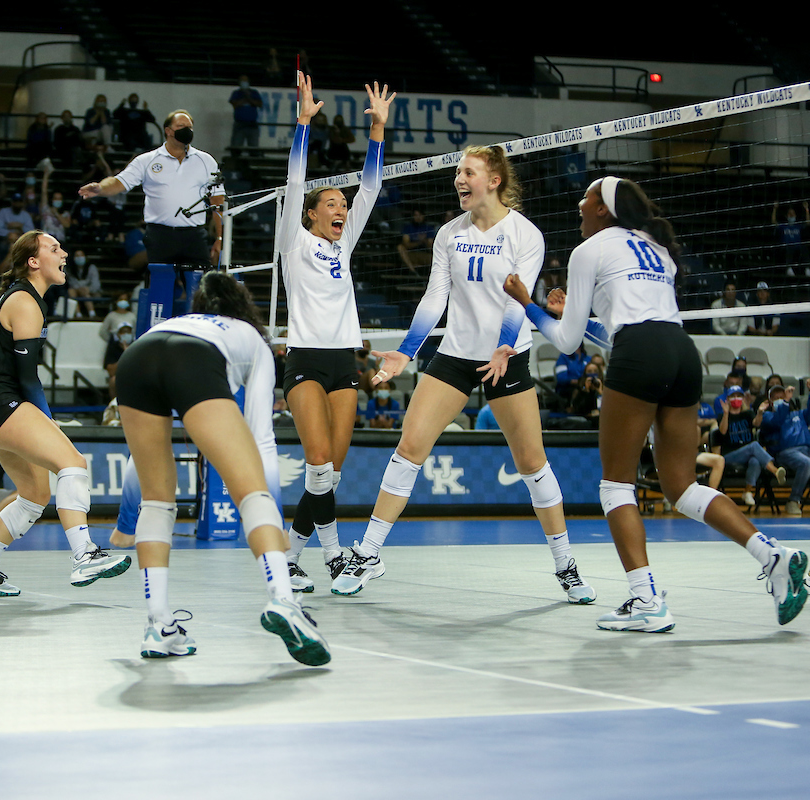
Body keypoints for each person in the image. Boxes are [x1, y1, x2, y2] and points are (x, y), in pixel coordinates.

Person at [503, 175, 806, 632]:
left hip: (640, 353)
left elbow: (567, 345)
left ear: (604, 209)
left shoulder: (589, 250)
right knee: (682, 488)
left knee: (615, 486)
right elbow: (617, 330)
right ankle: (773, 554)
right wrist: (571, 314)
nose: (579, 206)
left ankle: (645, 599)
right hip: (682, 353)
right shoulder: (655, 246)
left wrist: (529, 304)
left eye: (586, 199)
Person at [345, 142, 596, 604]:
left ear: (494, 180)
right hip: (457, 355)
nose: (459, 179)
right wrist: (405, 351)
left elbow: (516, 299)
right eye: (458, 172)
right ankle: (369, 553)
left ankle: (566, 564)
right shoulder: (449, 234)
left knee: (531, 464)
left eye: (468, 172)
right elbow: (434, 298)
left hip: (508, 355)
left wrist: (504, 346)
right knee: (409, 447)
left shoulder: (525, 234)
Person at [114, 270, 326, 663]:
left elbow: (138, 465)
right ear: (242, 307)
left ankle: (158, 625)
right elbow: (262, 436)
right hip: (194, 360)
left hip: (134, 358)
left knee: (158, 501)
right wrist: (272, 511)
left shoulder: (179, 321)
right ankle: (283, 599)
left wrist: (128, 520)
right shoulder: (251, 340)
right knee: (251, 492)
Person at [0, 231, 130, 596]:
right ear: (33, 262)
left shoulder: (23, 298)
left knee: (34, 495)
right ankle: (84, 555)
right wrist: (48, 419)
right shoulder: (25, 302)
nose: (64, 253)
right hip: (0, 402)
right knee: (73, 463)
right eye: (54, 249)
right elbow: (28, 377)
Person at [277, 74, 393, 593]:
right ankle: (336, 557)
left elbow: (370, 187)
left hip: (345, 363)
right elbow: (296, 182)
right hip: (303, 359)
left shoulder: (343, 248)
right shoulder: (294, 243)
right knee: (318, 461)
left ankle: (289, 556)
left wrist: (377, 133)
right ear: (310, 215)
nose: (341, 208)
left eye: (343, 205)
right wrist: (303, 124)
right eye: (331, 203)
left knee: (330, 474)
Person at [79, 109, 223, 269]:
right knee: (161, 285)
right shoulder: (146, 160)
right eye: (181, 126)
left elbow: (217, 200)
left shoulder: (206, 161)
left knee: (197, 285)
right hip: (160, 234)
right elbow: (119, 181)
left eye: (190, 127)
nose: (186, 130)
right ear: (168, 131)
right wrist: (100, 188)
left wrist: (220, 237)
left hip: (194, 235)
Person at [715, 385, 786, 508]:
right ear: (728, 399)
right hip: (729, 455)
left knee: (755, 461)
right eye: (733, 396)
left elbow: (756, 423)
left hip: (748, 454)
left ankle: (747, 492)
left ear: (743, 398)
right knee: (754, 446)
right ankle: (775, 471)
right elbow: (722, 431)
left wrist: (759, 412)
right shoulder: (722, 416)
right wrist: (726, 413)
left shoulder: (747, 413)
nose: (736, 398)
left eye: (739, 396)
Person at [759, 384, 810, 516]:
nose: (781, 399)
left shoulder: (799, 414)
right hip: (785, 453)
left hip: (806, 449)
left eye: (783, 397)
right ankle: (793, 500)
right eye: (776, 398)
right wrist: (785, 403)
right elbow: (777, 421)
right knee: (806, 463)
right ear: (770, 402)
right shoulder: (768, 416)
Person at [229, 76, 263, 155]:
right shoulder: (236, 93)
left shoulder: (254, 93)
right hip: (239, 124)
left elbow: (259, 104)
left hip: (252, 124)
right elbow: (235, 104)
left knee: (253, 147)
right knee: (236, 146)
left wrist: (248, 98)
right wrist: (246, 99)